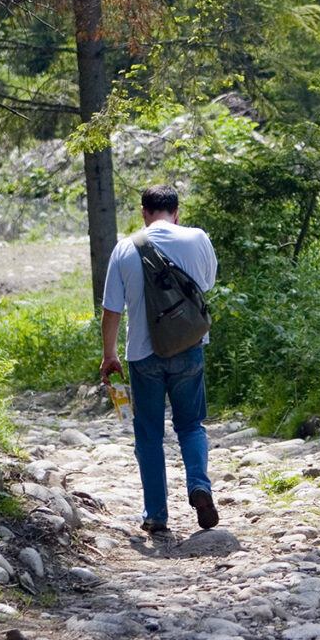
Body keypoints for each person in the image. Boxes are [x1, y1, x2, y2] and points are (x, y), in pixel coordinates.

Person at [100, 185, 219, 534]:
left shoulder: (125, 248)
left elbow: (111, 311)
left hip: (142, 356)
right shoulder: (198, 238)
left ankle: (156, 514)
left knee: (149, 434)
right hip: (189, 347)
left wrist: (109, 356)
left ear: (143, 212)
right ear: (177, 211)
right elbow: (206, 284)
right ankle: (199, 485)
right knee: (191, 425)